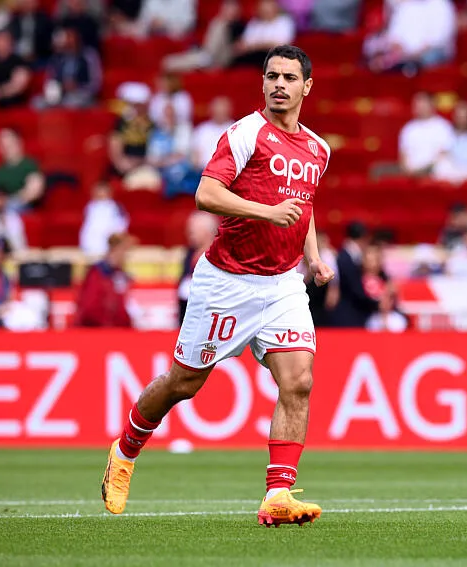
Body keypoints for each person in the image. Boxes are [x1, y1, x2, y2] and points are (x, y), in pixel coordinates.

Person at [101, 45, 333, 527]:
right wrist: (267, 212)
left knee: (299, 381)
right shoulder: (245, 133)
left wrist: (312, 257)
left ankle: (278, 495)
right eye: (272, 76)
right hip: (227, 280)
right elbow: (206, 194)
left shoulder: (317, 149)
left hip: (282, 283)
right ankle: (125, 451)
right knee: (183, 383)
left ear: (307, 87)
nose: (279, 84)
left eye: (290, 77)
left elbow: (302, 205)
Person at [161, 0, 246, 73]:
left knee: (170, 63)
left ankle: (202, 60)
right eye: (226, 8)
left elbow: (238, 48)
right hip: (206, 55)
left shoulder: (238, 26)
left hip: (219, 59)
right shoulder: (217, 21)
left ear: (237, 11)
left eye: (231, 8)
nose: (227, 10)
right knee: (168, 62)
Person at [32, 27, 101, 109]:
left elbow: (95, 82)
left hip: (81, 92)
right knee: (37, 102)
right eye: (66, 38)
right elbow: (50, 79)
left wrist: (78, 86)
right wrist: (57, 88)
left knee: (71, 102)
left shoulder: (89, 55)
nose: (68, 41)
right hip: (61, 93)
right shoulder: (57, 57)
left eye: (71, 38)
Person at [74, 232, 132, 327]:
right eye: (125, 251)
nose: (126, 256)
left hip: (115, 330)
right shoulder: (97, 273)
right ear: (116, 249)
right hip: (97, 330)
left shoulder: (119, 274)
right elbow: (89, 308)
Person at [331, 221, 380, 327]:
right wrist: (377, 303)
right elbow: (355, 289)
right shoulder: (345, 259)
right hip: (349, 313)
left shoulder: (346, 256)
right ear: (363, 238)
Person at [398, 91, 455, 177]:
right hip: (410, 173)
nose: (420, 107)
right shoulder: (408, 128)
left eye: (423, 103)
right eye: (417, 104)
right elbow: (403, 155)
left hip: (434, 172)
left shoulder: (443, 126)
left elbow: (444, 154)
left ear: (432, 104)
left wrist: (424, 170)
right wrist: (408, 171)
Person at [177, 211, 220, 324]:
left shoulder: (218, 256)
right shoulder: (189, 254)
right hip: (187, 312)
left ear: (208, 232)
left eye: (194, 230)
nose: (190, 234)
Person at [432, 99, 467, 183]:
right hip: (452, 172)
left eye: (465, 117)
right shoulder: (447, 133)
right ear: (454, 117)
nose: (462, 121)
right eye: (459, 117)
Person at [0, 128, 46, 210]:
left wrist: (11, 200)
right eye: (2, 145)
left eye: (9, 145)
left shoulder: (29, 165)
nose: (6, 149)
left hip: (21, 206)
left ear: (19, 143)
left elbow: (34, 191)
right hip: (0, 206)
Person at [232, 0, 296, 67]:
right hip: (252, 57)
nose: (265, 10)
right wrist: (260, 45)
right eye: (262, 7)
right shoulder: (254, 22)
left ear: (275, 7)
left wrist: (254, 46)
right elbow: (243, 45)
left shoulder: (284, 21)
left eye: (268, 7)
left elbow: (281, 45)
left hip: (275, 58)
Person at [79, 180, 129, 257]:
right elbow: (87, 223)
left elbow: (122, 222)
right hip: (91, 238)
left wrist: (116, 233)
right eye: (98, 191)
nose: (100, 194)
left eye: (103, 191)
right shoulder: (90, 206)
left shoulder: (114, 206)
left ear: (109, 193)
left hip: (109, 238)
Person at [191, 96, 235, 170]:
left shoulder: (236, 129)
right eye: (217, 109)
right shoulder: (202, 130)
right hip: (203, 171)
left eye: (222, 110)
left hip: (227, 171)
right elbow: (195, 156)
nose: (220, 113)